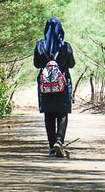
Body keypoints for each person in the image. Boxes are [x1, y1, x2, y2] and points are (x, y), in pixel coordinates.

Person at [34, 17, 75, 157]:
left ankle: (52, 147)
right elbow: (71, 64)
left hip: (45, 87)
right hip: (62, 85)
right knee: (62, 113)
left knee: (49, 115)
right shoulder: (65, 46)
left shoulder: (40, 45)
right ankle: (59, 141)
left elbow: (37, 64)